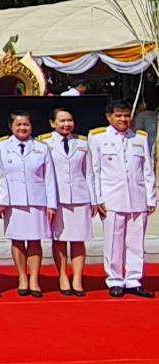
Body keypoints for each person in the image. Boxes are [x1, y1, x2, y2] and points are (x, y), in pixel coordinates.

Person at [90, 99, 156, 297]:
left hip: (137, 197)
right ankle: (115, 279)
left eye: (126, 116)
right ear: (109, 117)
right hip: (112, 198)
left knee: (135, 241)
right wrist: (97, 198)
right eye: (118, 115)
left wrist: (151, 198)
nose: (123, 119)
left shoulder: (139, 138)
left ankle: (134, 279)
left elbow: (148, 170)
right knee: (114, 241)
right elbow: (94, 171)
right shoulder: (98, 137)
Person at [0, 111, 58, 297]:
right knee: (17, 240)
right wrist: (2, 200)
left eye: (26, 125)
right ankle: (22, 277)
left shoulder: (41, 147)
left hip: (37, 200)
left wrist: (51, 204)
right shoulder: (1, 147)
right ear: (11, 126)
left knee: (34, 240)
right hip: (13, 201)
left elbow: (49, 178)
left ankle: (34, 280)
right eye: (18, 125)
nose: (23, 128)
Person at [43, 107, 93, 296]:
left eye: (69, 120)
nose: (66, 124)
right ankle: (63, 275)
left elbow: (89, 173)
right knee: (60, 240)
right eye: (62, 121)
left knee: (79, 239)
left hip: (80, 197)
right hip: (57, 198)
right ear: (52, 123)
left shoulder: (82, 143)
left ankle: (78, 278)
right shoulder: (45, 143)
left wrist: (94, 200)